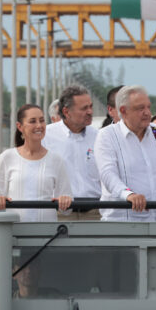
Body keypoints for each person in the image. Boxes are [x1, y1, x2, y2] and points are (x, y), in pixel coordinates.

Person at [94, 86, 156, 221]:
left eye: (148, 107)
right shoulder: (107, 135)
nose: (147, 113)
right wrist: (128, 195)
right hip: (121, 225)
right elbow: (108, 174)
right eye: (140, 108)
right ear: (123, 110)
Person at [0, 104, 73, 221]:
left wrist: (65, 201)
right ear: (20, 126)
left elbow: (67, 209)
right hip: (14, 234)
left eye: (42, 121)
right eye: (32, 121)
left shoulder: (56, 160)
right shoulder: (7, 157)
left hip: (48, 235)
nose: (39, 125)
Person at [43, 85, 102, 220]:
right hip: (59, 214)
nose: (90, 112)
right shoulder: (46, 137)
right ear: (66, 111)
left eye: (90, 107)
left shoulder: (99, 137)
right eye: (84, 108)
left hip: (94, 214)